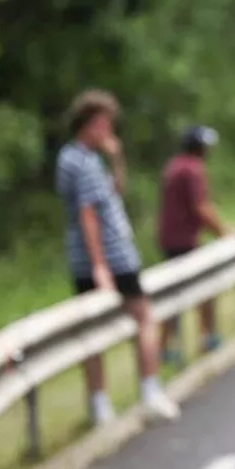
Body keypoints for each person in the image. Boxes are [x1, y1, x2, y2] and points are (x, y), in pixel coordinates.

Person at [55, 89, 181, 425]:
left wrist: (116, 158)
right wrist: (100, 265)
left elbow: (114, 194)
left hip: (91, 256)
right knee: (143, 317)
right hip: (111, 256)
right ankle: (149, 391)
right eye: (106, 125)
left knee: (93, 330)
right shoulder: (80, 161)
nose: (109, 131)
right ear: (93, 123)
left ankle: (100, 405)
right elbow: (88, 215)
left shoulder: (79, 158)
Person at [158, 125, 230, 363]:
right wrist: (223, 230)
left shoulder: (174, 166)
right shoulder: (192, 170)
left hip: (169, 237)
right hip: (184, 240)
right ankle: (207, 336)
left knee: (172, 294)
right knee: (203, 288)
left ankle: (167, 345)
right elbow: (200, 207)